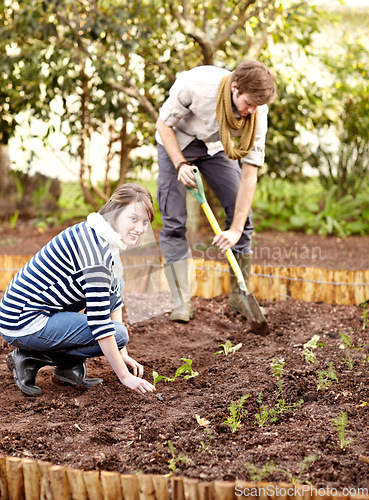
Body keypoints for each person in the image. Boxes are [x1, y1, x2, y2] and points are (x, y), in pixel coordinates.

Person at [0, 184, 156, 397]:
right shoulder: (96, 254)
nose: (140, 228)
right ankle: (32, 356)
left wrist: (122, 354)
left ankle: (66, 368)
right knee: (118, 334)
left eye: (145, 222)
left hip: (40, 309)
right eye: (133, 219)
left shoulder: (100, 234)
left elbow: (114, 297)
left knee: (115, 285)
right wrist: (124, 376)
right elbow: (100, 324)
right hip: (23, 321)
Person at [156, 60, 277, 323]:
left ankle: (239, 299)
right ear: (235, 88)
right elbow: (163, 125)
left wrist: (234, 229)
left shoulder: (258, 112)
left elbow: (250, 173)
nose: (253, 110)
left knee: (242, 218)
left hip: (216, 149)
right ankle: (181, 302)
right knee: (174, 222)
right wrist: (180, 163)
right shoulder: (195, 84)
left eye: (259, 105)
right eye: (249, 103)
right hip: (177, 143)